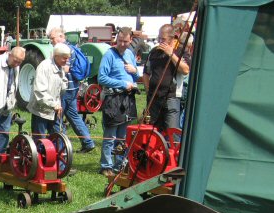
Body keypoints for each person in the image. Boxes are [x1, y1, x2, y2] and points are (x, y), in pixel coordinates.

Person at [97, 27, 138, 176]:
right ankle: (106, 166)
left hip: (127, 99)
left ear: (130, 40)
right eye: (119, 40)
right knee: (110, 135)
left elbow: (135, 77)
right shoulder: (109, 55)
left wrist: (135, 71)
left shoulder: (130, 54)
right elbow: (102, 78)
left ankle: (119, 165)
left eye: (125, 41)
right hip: (113, 99)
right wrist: (122, 84)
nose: (122, 44)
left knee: (123, 135)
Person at [48, 27, 95, 153]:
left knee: (57, 119)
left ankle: (61, 148)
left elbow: (66, 69)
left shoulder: (65, 50)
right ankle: (88, 142)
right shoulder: (72, 48)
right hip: (73, 88)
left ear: (61, 37)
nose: (51, 41)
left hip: (65, 90)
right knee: (73, 116)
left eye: (52, 38)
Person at [142, 24, 190, 130]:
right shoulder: (154, 52)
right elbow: (146, 73)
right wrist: (148, 90)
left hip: (171, 98)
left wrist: (171, 54)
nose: (160, 41)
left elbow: (185, 70)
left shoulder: (180, 51)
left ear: (172, 38)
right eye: (159, 38)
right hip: (154, 98)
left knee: (172, 131)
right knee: (152, 130)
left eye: (163, 39)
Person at [27, 43, 70, 139]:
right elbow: (40, 91)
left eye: (68, 58)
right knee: (40, 140)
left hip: (54, 110)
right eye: (65, 58)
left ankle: (56, 149)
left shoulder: (60, 67)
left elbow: (62, 88)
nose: (67, 61)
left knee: (58, 137)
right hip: (40, 110)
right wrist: (53, 104)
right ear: (56, 56)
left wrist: (64, 79)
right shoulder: (44, 67)